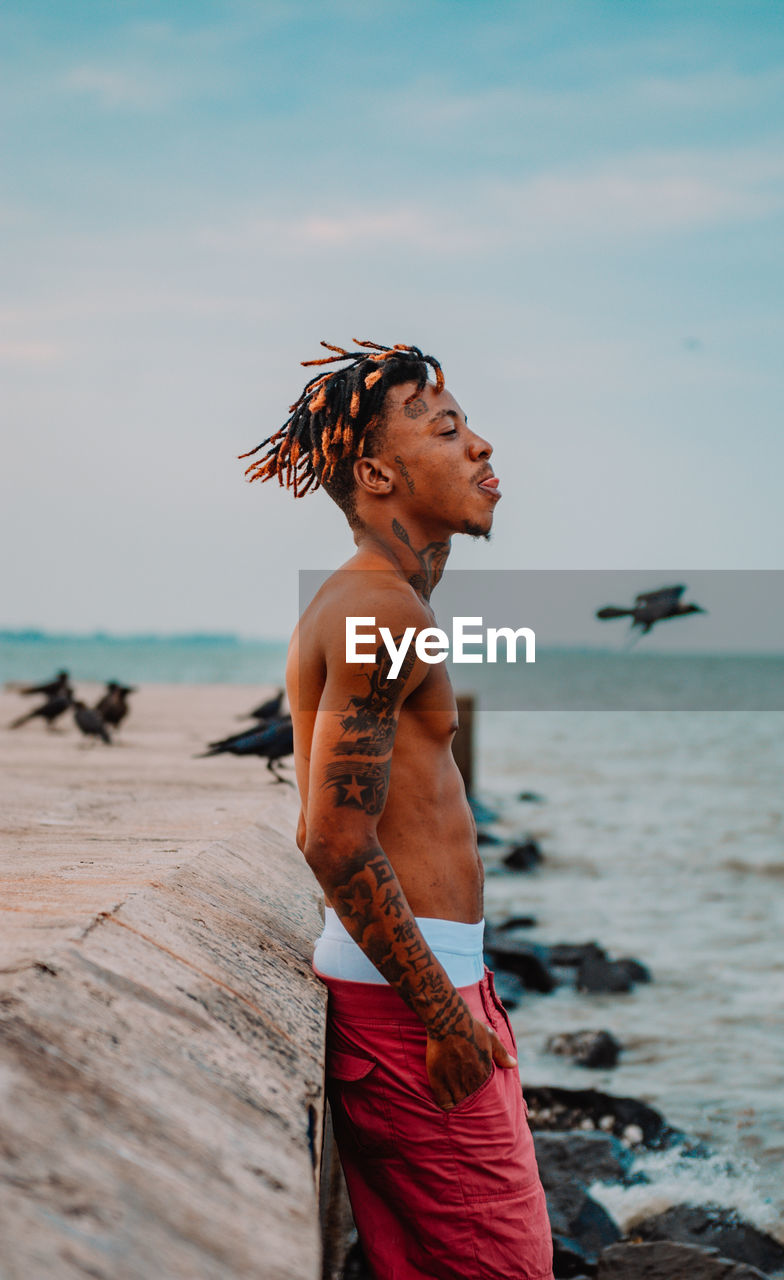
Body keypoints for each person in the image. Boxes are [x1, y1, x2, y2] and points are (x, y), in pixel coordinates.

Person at [240, 340, 553, 1279]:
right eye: (449, 430)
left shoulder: (386, 599)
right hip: (411, 1009)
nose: (482, 448)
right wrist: (444, 1023)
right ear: (377, 473)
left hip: (417, 994)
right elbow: (332, 838)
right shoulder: (377, 612)